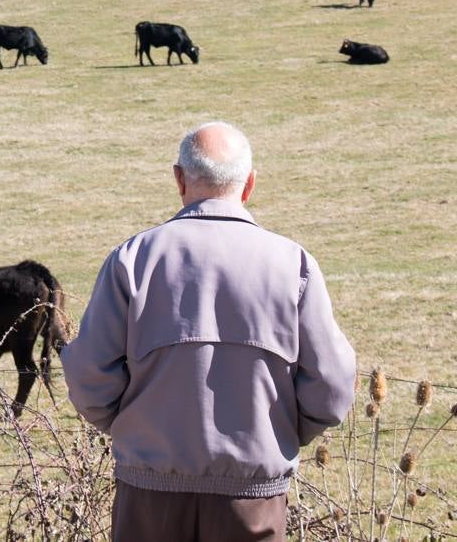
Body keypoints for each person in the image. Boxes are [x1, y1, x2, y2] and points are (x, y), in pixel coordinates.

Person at [62, 121, 357, 541]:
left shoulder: (133, 259)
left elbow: (88, 375)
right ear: (250, 183)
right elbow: (331, 388)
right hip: (253, 497)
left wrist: (137, 430)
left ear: (179, 179)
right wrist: (281, 432)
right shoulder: (293, 265)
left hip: (149, 496)